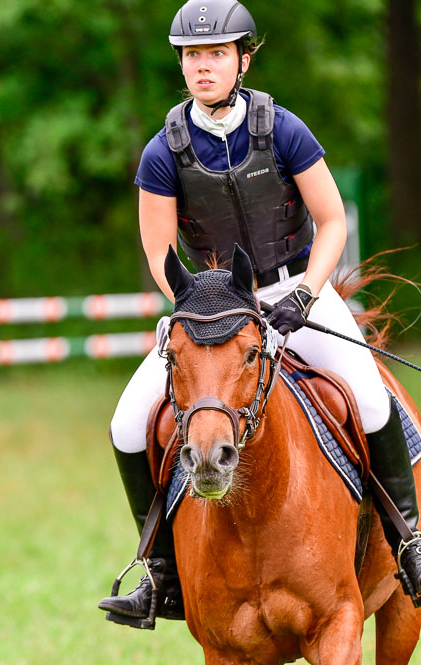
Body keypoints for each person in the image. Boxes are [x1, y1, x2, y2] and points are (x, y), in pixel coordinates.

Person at [98, 0, 421, 625]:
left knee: (371, 397)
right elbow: (160, 253)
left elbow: (331, 222)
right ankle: (159, 574)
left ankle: (409, 545)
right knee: (128, 423)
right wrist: (199, 304)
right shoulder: (162, 152)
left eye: (216, 54)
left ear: (242, 61)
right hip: (209, 307)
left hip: (295, 287)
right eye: (192, 55)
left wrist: (306, 293)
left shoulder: (284, 130)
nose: (203, 66)